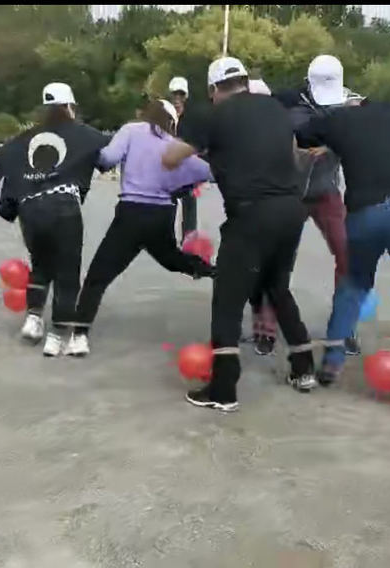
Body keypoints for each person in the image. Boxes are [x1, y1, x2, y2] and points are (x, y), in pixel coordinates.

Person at [293, 55, 390, 408]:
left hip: (364, 214)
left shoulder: (334, 121)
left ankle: (331, 362)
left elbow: (301, 133)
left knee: (353, 285)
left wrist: (327, 135)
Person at [163, 57, 317, 412]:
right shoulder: (276, 109)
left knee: (228, 297)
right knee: (276, 286)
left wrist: (202, 152)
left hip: (252, 213)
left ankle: (223, 389)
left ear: (213, 89)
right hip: (291, 209)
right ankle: (303, 366)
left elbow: (171, 158)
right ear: (245, 82)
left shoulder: (211, 114)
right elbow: (294, 156)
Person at [67, 100, 216, 356]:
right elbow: (209, 172)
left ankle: (79, 336)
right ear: (171, 122)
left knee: (98, 277)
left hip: (131, 214)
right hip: (161, 216)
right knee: (173, 260)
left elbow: (106, 160)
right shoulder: (174, 144)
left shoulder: (131, 130)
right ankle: (213, 271)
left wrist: (88, 149)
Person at [0, 82, 110, 356]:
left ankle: (33, 321)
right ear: (69, 106)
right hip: (64, 208)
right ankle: (56, 336)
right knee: (67, 274)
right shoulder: (85, 134)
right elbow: (111, 156)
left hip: (30, 210)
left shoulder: (24, 138)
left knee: (41, 266)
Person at [246, 58, 359, 358]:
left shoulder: (350, 103)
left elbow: (362, 135)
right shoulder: (287, 102)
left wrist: (333, 145)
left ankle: (344, 328)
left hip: (327, 192)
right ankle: (265, 329)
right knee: (276, 262)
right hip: (289, 194)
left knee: (349, 256)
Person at [167, 76, 199, 243]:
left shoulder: (192, 118)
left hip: (187, 166)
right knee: (168, 202)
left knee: (189, 202)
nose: (177, 99)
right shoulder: (165, 117)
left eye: (181, 95)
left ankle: (189, 238)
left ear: (186, 96)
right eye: (174, 95)